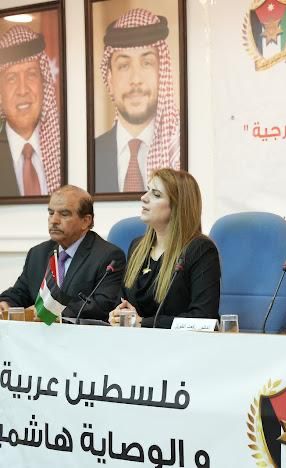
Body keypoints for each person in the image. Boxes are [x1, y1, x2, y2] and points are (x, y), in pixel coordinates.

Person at [109, 169, 220, 328]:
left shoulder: (200, 249)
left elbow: (204, 317)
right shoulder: (137, 247)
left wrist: (143, 323)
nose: (143, 197)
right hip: (135, 340)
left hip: (182, 342)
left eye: (156, 194)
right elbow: (122, 301)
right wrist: (117, 315)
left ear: (177, 206)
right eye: (148, 190)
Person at [0, 185, 125, 321]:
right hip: (38, 332)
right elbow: (20, 292)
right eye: (51, 213)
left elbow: (102, 305)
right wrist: (5, 303)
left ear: (85, 221)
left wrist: (49, 312)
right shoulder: (38, 253)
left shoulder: (108, 256)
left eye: (64, 214)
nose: (54, 221)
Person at [95, 8, 180, 193]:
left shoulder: (179, 150)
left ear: (162, 73)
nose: (135, 79)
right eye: (124, 66)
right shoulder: (91, 153)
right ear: (109, 78)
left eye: (147, 63)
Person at [0, 25, 61, 197]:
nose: (22, 90)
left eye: (31, 74)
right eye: (12, 78)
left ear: (44, 83)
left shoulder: (67, 150)